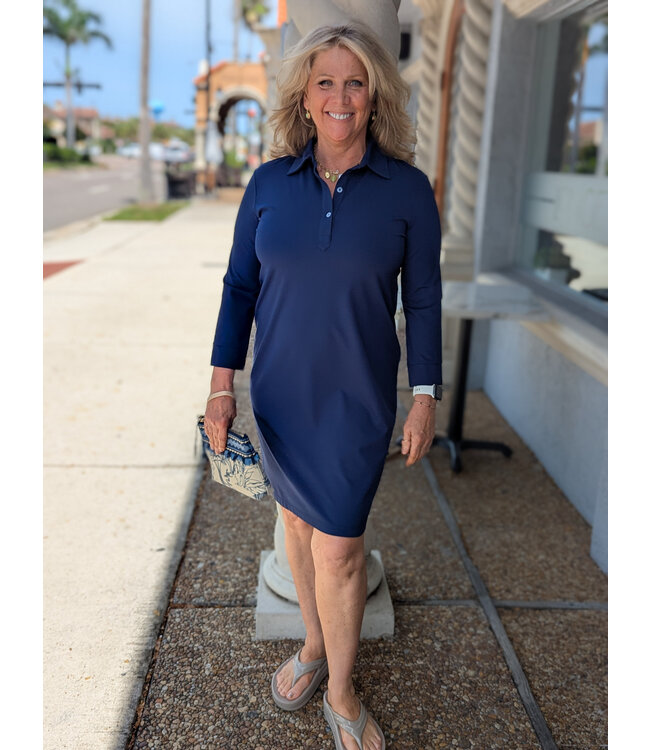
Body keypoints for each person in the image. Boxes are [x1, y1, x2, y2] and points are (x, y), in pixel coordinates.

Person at [204, 23, 442, 750]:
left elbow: (424, 299)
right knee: (299, 530)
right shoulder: (268, 184)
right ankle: (313, 642)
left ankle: (341, 691)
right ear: (304, 98)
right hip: (279, 397)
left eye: (355, 82)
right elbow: (239, 288)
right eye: (326, 82)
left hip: (355, 402)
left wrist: (425, 394)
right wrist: (221, 387)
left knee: (340, 549)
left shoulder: (407, 191)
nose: (341, 97)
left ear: (375, 96)